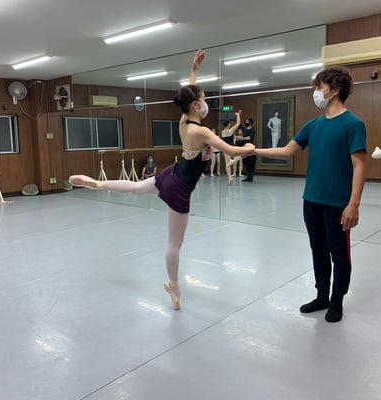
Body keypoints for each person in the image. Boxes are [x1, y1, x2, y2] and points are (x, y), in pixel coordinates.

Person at [68, 49, 254, 310]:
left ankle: (99, 183)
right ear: (195, 105)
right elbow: (232, 150)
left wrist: (194, 70)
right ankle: (174, 288)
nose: (205, 103)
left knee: (135, 188)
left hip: (171, 173)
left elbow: (187, 94)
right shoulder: (201, 132)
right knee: (174, 243)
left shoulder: (184, 123)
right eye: (203, 99)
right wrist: (249, 148)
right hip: (180, 187)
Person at [253, 65, 366, 323]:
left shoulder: (353, 124)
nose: (316, 92)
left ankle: (336, 301)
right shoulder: (313, 125)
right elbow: (287, 151)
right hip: (311, 200)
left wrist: (354, 204)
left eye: (319, 87)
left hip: (337, 203)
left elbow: (359, 165)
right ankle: (322, 295)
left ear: (334, 90)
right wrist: (253, 150)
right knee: (318, 250)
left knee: (339, 254)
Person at [221, 111, 243, 184]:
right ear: (228, 124)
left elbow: (224, 140)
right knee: (240, 156)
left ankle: (229, 178)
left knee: (227, 164)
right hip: (231, 147)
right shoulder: (230, 131)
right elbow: (238, 123)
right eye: (230, 123)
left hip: (225, 148)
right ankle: (232, 162)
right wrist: (238, 115)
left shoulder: (222, 132)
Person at [236, 116, 256, 182]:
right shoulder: (244, 129)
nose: (246, 122)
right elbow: (238, 124)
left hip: (250, 148)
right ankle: (248, 177)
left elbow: (250, 138)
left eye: (247, 121)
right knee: (246, 163)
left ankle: (251, 177)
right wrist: (238, 115)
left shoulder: (253, 130)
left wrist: (242, 138)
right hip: (244, 148)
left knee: (251, 163)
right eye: (246, 121)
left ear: (250, 122)